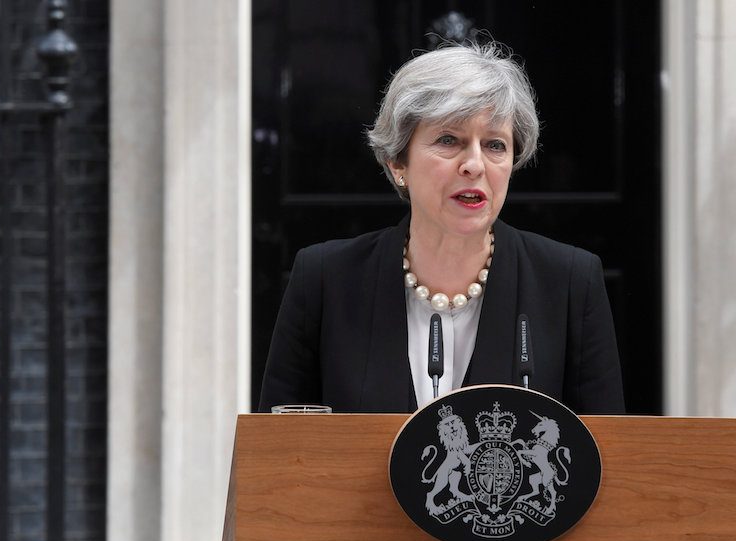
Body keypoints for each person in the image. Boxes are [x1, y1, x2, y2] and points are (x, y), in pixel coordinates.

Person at [258, 42, 624, 414]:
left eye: (495, 145)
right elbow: (280, 456)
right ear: (398, 161)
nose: (475, 165)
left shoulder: (570, 282)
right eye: (450, 140)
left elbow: (609, 457)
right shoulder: (324, 280)